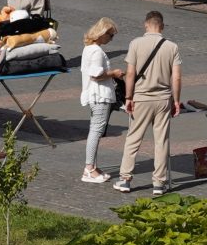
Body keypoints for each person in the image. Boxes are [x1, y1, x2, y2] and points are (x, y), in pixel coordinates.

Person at [111, 11, 183, 195]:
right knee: (161, 141)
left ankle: (125, 179)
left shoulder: (135, 44)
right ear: (162, 26)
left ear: (146, 24)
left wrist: (128, 98)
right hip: (163, 99)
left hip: (141, 98)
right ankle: (159, 183)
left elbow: (130, 74)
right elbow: (176, 77)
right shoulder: (171, 47)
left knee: (133, 139)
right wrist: (176, 101)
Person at [78, 17, 122, 184]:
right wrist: (114, 73)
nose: (111, 39)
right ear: (103, 33)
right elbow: (96, 75)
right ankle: (89, 169)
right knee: (96, 131)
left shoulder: (89, 48)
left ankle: (92, 167)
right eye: (111, 35)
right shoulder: (96, 51)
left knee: (95, 130)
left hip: (94, 94)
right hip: (99, 94)